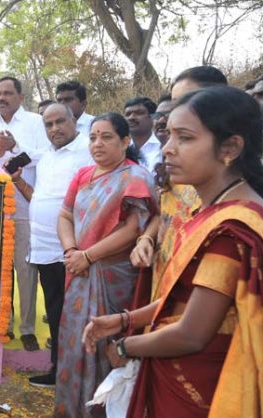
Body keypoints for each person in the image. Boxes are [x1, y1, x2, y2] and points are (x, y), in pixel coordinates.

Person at [84, 86, 263, 418]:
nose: (167, 149)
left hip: (204, 386)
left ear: (230, 147)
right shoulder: (214, 212)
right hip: (189, 374)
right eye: (168, 136)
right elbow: (182, 300)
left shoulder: (232, 227)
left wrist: (125, 346)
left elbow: (191, 334)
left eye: (185, 138)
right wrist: (125, 320)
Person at [54, 112, 156, 417]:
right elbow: (65, 215)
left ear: (125, 141)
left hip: (113, 276)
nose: (98, 143)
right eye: (93, 137)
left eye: (107, 136)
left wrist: (89, 256)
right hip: (78, 272)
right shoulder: (84, 175)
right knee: (73, 344)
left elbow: (132, 229)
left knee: (105, 344)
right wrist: (72, 251)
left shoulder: (135, 176)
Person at [130, 65, 227, 304]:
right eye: (175, 105)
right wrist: (146, 240)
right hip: (165, 282)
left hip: (205, 297)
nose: (177, 113)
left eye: (188, 101)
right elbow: (165, 214)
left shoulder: (235, 185)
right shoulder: (176, 165)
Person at [17, 103, 93, 387]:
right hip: (45, 249)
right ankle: (58, 369)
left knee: (74, 312)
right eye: (48, 125)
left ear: (74, 121)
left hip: (73, 249)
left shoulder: (87, 149)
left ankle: (73, 372)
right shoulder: (47, 156)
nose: (54, 129)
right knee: (55, 310)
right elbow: (42, 198)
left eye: (60, 122)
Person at [0, 76, 49, 348]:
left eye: (7, 93)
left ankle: (27, 328)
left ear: (20, 97)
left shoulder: (36, 123)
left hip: (26, 206)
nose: (1, 98)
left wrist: (15, 147)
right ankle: (2, 323)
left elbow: (46, 155)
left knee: (26, 269)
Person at [124, 96, 160, 174]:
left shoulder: (162, 147)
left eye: (139, 113)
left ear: (153, 118)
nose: (131, 117)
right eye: (128, 114)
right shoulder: (121, 149)